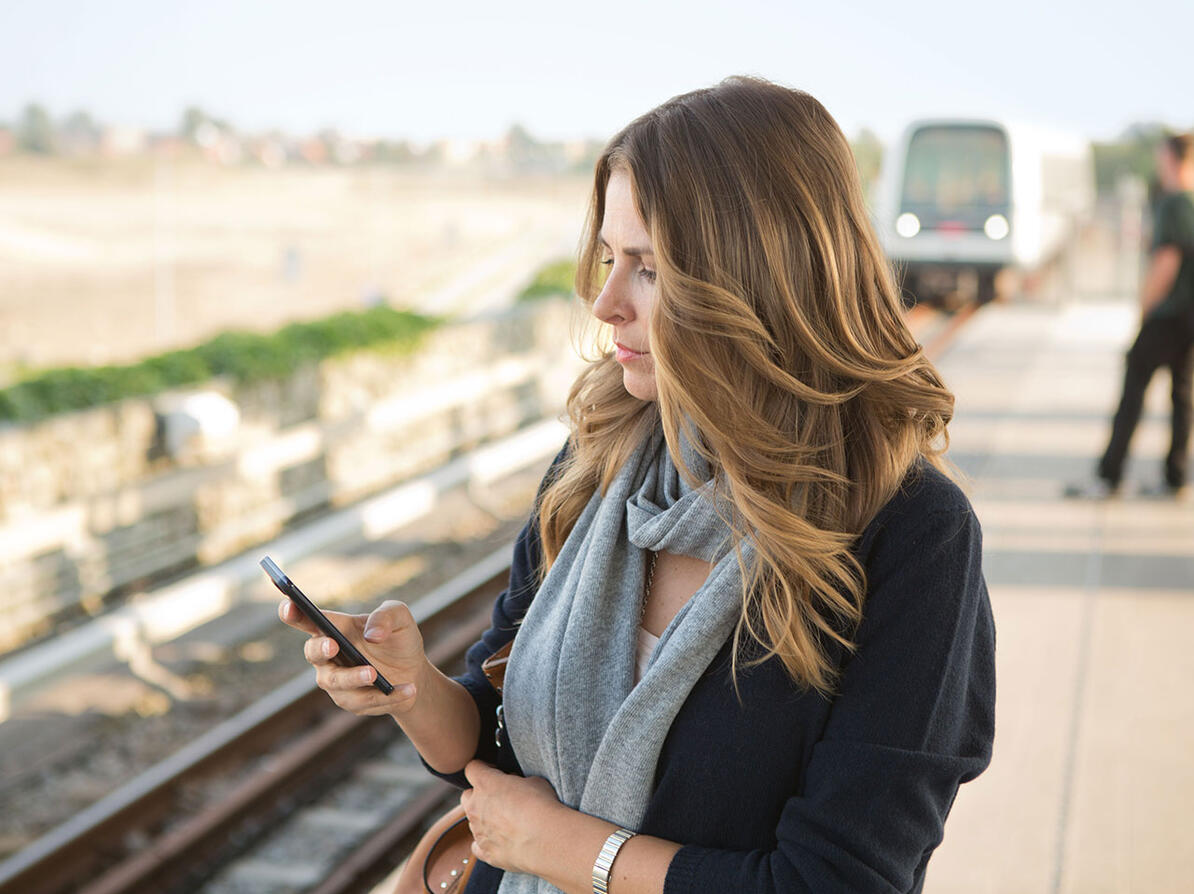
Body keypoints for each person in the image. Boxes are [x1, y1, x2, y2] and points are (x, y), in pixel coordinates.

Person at [280, 75, 996, 894]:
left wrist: (564, 848)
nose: (607, 304)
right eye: (612, 259)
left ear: (758, 280)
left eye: (650, 269)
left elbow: (837, 880)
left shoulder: (911, 534)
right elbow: (496, 738)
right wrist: (408, 686)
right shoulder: (601, 465)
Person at [1068, 132, 1194, 500]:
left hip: (1168, 314)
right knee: (1182, 393)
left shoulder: (1174, 204)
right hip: (1188, 318)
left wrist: (1144, 307)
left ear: (1171, 158)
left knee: (1133, 388)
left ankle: (1109, 476)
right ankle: (1175, 477)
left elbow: (1167, 262)